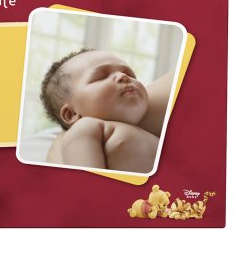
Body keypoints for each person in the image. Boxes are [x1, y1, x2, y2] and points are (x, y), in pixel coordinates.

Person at [41, 48, 173, 173]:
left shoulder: (159, 131)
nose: (123, 76)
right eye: (101, 77)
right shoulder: (86, 128)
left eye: (129, 74)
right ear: (71, 113)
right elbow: (86, 182)